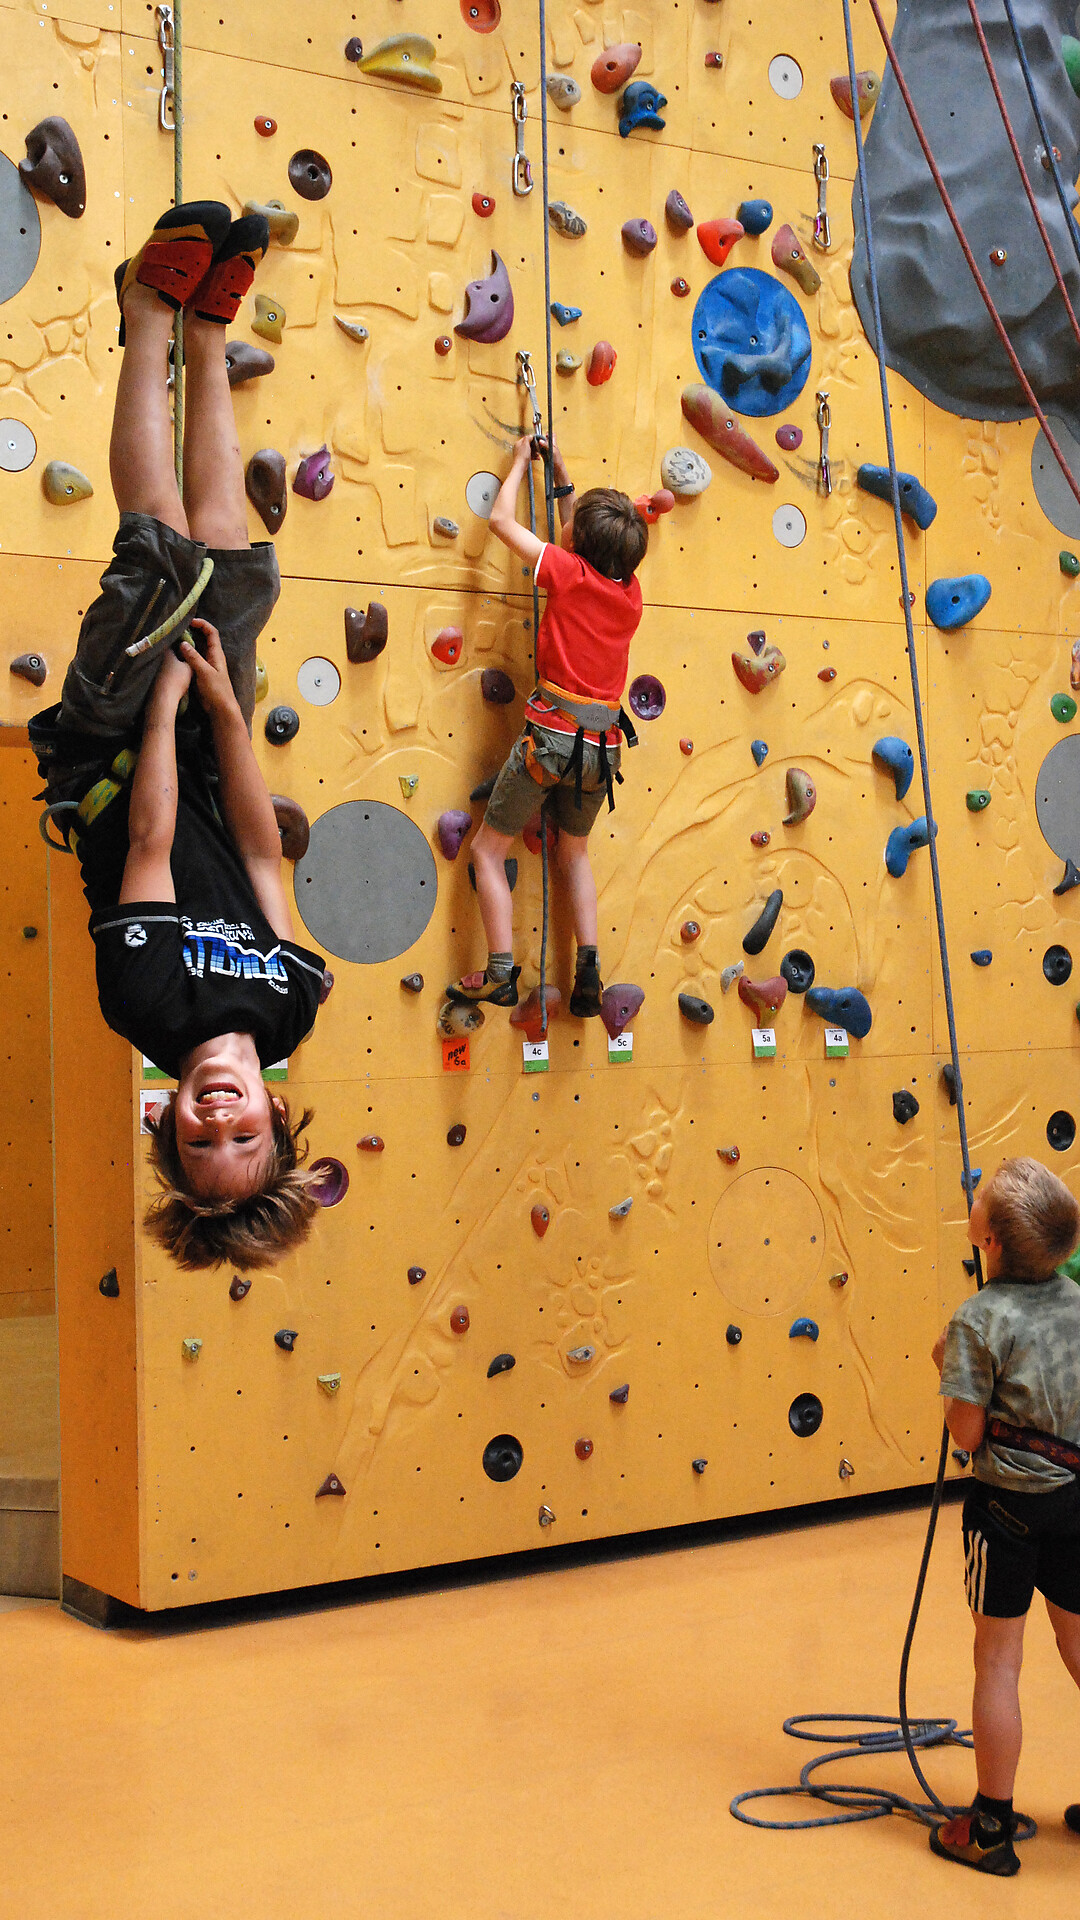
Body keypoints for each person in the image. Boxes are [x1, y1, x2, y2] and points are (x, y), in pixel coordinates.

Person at [29, 200, 327, 1271]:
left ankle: (149, 314)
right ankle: (209, 344)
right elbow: (258, 849)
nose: (219, 1116)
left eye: (199, 1139)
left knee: (159, 550)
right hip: (212, 744)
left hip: (116, 751)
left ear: (169, 1123)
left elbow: (150, 846)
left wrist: (164, 700)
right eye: (243, 1136)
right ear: (277, 1116)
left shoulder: (145, 1008)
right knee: (239, 567)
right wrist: (229, 716)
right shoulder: (291, 1006)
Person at [446, 435, 647, 1018]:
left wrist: (515, 463)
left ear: (576, 547)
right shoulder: (628, 594)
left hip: (551, 738)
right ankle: (588, 972)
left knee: (488, 851)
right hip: (602, 746)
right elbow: (577, 540)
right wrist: (560, 474)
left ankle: (501, 973)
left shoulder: (566, 573)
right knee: (576, 854)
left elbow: (503, 519)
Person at [930, 1156, 1080, 1873]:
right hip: (1078, 1501)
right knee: (1079, 1645)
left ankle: (989, 1827)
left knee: (998, 1660)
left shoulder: (978, 1318)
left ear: (987, 1240)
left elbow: (966, 1436)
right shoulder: (1077, 1300)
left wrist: (950, 1368)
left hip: (1009, 1509)